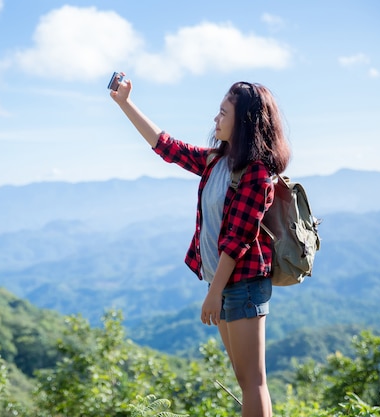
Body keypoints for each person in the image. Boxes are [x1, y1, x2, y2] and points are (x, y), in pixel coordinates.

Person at [109, 72, 291, 417]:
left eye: (224, 113)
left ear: (245, 122)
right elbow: (167, 147)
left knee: (254, 381)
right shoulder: (217, 162)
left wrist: (215, 292)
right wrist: (126, 104)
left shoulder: (256, 172)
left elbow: (238, 239)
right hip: (221, 283)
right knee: (245, 380)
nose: (215, 118)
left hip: (242, 286)